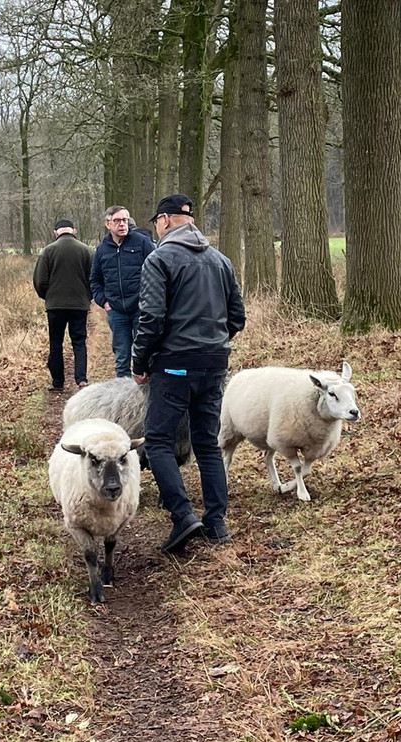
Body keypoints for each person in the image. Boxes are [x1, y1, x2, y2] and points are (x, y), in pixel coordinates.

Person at [131, 194, 246, 554]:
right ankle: (216, 522)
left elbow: (151, 318)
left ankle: (182, 515)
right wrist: (212, 344)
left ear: (164, 221)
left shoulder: (159, 258)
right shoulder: (221, 260)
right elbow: (237, 317)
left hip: (173, 363)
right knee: (207, 442)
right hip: (214, 362)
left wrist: (139, 362)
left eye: (156, 223)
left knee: (160, 441)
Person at [90, 206, 156, 377]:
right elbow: (95, 279)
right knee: (121, 358)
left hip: (141, 309)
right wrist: (104, 302)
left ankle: (148, 397)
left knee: (146, 355)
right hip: (116, 311)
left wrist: (149, 300)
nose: (122, 224)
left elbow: (158, 272)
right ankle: (123, 398)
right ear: (108, 224)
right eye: (117, 221)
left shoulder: (142, 243)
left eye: (125, 220)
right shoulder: (102, 250)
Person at [33, 219, 93, 392]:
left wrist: (48, 297)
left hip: (55, 306)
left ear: (55, 232)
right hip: (79, 305)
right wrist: (87, 297)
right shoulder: (87, 251)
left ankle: (57, 382)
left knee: (56, 343)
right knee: (79, 342)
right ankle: (81, 379)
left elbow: (40, 280)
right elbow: (94, 278)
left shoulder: (48, 251)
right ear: (74, 230)